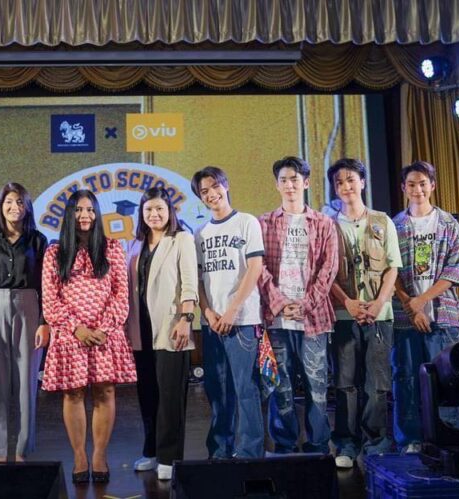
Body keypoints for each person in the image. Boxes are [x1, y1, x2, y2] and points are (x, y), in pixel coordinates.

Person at [37, 189, 136, 484]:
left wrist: (103, 328)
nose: (85, 215)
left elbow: (121, 294)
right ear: (70, 214)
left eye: (90, 210)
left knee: (105, 392)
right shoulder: (55, 252)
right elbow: (50, 300)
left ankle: (99, 455)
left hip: (105, 334)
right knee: (74, 393)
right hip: (71, 336)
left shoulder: (112, 248)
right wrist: (76, 328)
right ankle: (80, 455)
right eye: (79, 210)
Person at [258, 157, 338, 455]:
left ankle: (318, 445)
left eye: (294, 179)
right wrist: (280, 304)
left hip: (313, 319)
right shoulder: (264, 223)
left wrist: (305, 304)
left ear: (306, 182)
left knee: (317, 385)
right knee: (281, 386)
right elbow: (258, 268)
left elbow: (329, 268)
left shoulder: (324, 223)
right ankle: (285, 444)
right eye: (283, 180)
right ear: (276, 185)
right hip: (277, 319)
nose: (289, 185)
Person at [328, 158, 402, 469]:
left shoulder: (383, 221)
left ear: (362, 182)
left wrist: (379, 303)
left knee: (377, 385)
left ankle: (376, 443)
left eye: (350, 180)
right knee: (346, 384)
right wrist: (348, 302)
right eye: (339, 182)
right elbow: (325, 273)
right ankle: (346, 443)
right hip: (344, 316)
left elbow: (392, 267)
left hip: (379, 316)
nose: (346, 186)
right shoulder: (328, 225)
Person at [392, 161, 459, 454]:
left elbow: (455, 270)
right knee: (406, 379)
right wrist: (412, 307)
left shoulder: (448, 224)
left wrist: (422, 301)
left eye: (423, 183)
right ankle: (409, 439)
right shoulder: (395, 225)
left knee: (446, 379)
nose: (418, 189)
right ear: (403, 188)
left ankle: (449, 435)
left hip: (442, 316)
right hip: (405, 318)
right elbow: (390, 272)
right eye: (411, 184)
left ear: (432, 185)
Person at [0, 183, 48, 462]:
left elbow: (46, 286)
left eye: (20, 202)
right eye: (9, 202)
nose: (15, 207)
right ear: (0, 206)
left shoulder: (38, 240)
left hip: (29, 306)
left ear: (27, 207)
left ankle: (23, 449)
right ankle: (0, 451)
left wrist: (45, 321)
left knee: (27, 383)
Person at [191, 166, 265, 459]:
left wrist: (233, 310)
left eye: (214, 186)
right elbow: (198, 279)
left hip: (242, 321)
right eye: (204, 191)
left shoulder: (247, 222)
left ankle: (250, 451)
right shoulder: (200, 233)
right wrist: (208, 312)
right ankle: (220, 449)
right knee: (218, 390)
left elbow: (255, 268)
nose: (211, 194)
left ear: (226, 185)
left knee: (246, 388)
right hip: (212, 323)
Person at [125, 187, 198, 481]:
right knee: (147, 395)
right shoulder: (135, 244)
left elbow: (190, 283)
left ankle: (169, 457)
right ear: (141, 214)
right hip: (139, 330)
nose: (154, 214)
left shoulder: (181, 239)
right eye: (148, 210)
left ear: (170, 211)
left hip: (171, 327)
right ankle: (151, 451)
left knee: (170, 397)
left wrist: (186, 318)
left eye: (159, 209)